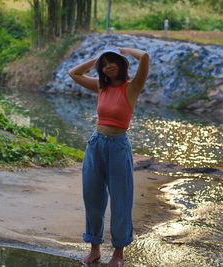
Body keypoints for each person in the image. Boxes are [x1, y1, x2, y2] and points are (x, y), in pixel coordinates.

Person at [68, 46, 149, 267]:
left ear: (122, 65)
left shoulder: (132, 88)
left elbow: (144, 57)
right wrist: (98, 58)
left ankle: (118, 254)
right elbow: (73, 73)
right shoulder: (100, 86)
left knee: (121, 200)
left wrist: (123, 50)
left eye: (112, 61)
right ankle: (94, 249)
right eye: (104, 64)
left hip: (118, 146)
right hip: (96, 144)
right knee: (92, 197)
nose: (108, 66)